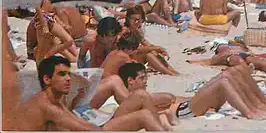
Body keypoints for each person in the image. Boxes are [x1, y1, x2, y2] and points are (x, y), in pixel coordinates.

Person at [15, 56, 165, 131]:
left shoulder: (55, 98)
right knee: (143, 113)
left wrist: (79, 101)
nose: (68, 79)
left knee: (143, 110)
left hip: (87, 125)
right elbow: (82, 129)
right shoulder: (47, 106)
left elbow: (73, 120)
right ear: (47, 79)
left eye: (69, 74)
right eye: (62, 74)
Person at [121, 7, 178, 75]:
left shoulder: (135, 29)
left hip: (132, 55)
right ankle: (171, 73)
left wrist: (157, 48)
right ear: (127, 19)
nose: (136, 22)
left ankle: (174, 72)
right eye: (134, 19)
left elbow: (144, 41)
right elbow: (133, 49)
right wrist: (156, 48)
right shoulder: (125, 31)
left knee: (153, 52)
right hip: (125, 59)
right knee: (148, 54)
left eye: (139, 20)